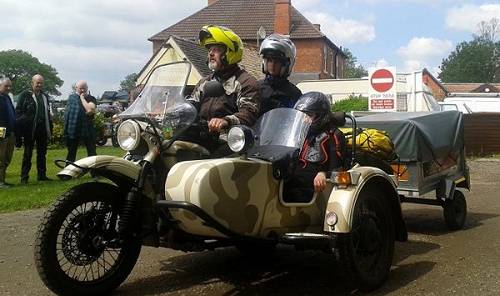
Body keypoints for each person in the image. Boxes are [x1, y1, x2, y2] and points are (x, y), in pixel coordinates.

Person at [187, 25, 260, 155]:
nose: (210, 53)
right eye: (209, 49)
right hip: (202, 136)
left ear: (230, 52)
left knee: (210, 165)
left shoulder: (245, 82)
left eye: (217, 49)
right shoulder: (205, 82)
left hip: (229, 140)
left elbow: (248, 113)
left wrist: (226, 120)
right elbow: (191, 105)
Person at [283, 92, 347, 203]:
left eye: (309, 115)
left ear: (321, 116)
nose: (304, 119)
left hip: (313, 188)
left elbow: (338, 169)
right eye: (301, 115)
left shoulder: (334, 135)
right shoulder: (297, 134)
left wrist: (323, 173)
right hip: (292, 181)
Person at [16, 74, 53, 184]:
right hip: (29, 129)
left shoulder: (44, 96)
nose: (39, 85)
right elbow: (18, 112)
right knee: (27, 154)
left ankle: (42, 175)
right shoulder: (24, 95)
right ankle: (24, 177)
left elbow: (47, 111)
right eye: (37, 82)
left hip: (42, 128)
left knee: (42, 153)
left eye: (41, 83)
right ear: (32, 83)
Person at [258, 34, 302, 115]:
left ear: (287, 64)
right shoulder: (256, 88)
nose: (272, 65)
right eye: (270, 60)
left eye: (277, 61)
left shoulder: (294, 93)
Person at [64, 80, 97, 164]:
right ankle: (67, 173)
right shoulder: (71, 98)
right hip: (74, 127)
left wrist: (82, 98)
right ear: (76, 88)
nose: (82, 90)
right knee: (71, 152)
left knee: (92, 151)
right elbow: (68, 115)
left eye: (84, 88)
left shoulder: (91, 98)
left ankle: (95, 173)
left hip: (87, 128)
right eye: (80, 88)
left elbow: (90, 110)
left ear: (87, 88)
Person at [0, 77, 16, 188]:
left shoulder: (7, 97)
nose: (8, 88)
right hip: (1, 130)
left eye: (10, 86)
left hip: (10, 131)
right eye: (6, 86)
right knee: (0, 157)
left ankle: (3, 180)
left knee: (7, 157)